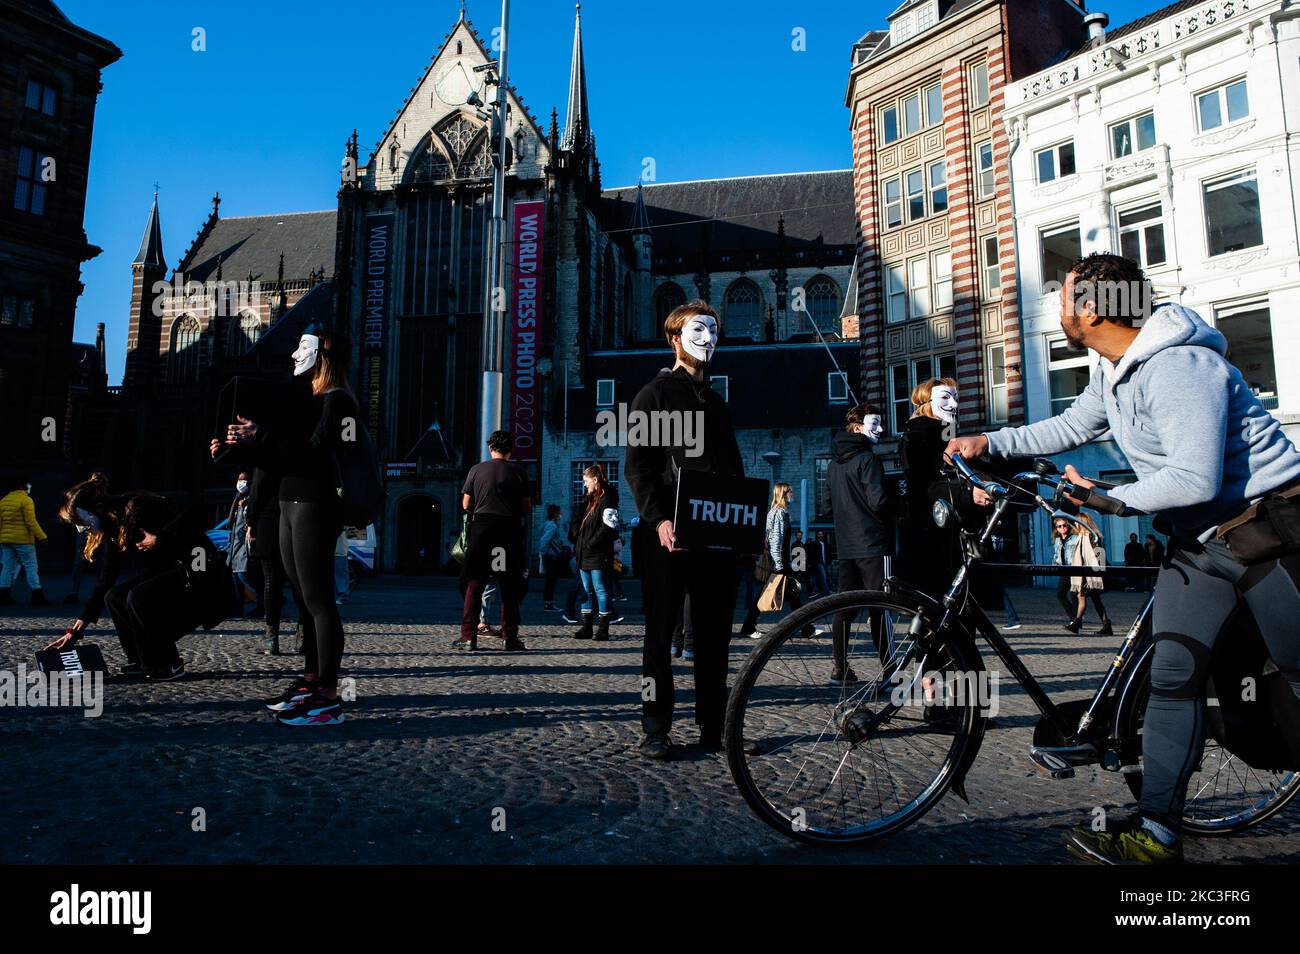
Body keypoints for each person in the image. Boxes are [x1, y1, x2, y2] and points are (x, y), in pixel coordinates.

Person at [947, 252, 1300, 864]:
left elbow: (1192, 478)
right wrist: (992, 441)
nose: (1058, 308)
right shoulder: (1114, 370)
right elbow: (1072, 426)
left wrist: (1108, 500)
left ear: (1091, 309)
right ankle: (1158, 834)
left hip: (1270, 534)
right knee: (1172, 679)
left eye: (1064, 297)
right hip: (1200, 545)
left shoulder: (1179, 367)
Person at [625, 299, 744, 759]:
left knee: (714, 637)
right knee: (659, 634)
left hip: (715, 532)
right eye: (699, 330)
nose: (709, 339)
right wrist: (658, 518)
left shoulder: (717, 404)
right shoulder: (652, 396)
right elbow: (639, 468)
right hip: (668, 533)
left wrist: (744, 533)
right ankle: (655, 727)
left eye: (714, 331)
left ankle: (714, 727)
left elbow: (733, 471)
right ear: (675, 338)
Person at [223, 328, 358, 725]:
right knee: (303, 600)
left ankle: (329, 697)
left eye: (305, 348)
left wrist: (261, 435)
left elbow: (316, 454)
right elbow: (283, 455)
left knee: (318, 601)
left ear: (324, 358)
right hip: (288, 501)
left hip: (314, 504)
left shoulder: (337, 402)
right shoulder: (307, 401)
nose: (296, 354)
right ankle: (311, 680)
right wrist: (244, 445)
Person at [47, 475, 233, 681]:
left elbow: (190, 516)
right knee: (114, 597)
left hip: (200, 569)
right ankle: (141, 660)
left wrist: (159, 538)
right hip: (173, 570)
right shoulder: (112, 528)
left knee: (138, 597)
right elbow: (105, 580)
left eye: (81, 521)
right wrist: (75, 631)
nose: (81, 529)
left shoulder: (138, 505)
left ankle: (169, 663)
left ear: (98, 508)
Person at [827, 403, 893, 685]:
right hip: (873, 544)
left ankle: (840, 668)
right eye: (874, 423)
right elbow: (879, 501)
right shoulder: (868, 459)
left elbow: (827, 506)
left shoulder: (833, 464)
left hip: (846, 545)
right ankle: (891, 671)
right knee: (881, 607)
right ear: (857, 428)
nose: (880, 429)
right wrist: (898, 507)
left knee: (845, 608)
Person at [454, 430, 530, 652]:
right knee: (509, 585)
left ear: (490, 448)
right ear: (510, 450)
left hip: (482, 530)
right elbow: (526, 507)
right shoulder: (519, 472)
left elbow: (466, 504)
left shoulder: (476, 470)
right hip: (508, 530)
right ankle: (510, 637)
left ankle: (469, 636)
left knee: (475, 583)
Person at [739, 483, 822, 640]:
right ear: (783, 493)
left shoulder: (779, 513)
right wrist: (779, 564)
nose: (793, 494)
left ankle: (806, 628)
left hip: (780, 562)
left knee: (792, 595)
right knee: (780, 594)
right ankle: (749, 626)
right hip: (779, 563)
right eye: (790, 491)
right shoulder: (779, 513)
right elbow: (775, 540)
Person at [571, 464, 621, 643]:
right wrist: (576, 535)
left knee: (601, 589)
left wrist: (591, 543)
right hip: (584, 552)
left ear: (595, 479)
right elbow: (578, 518)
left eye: (586, 481)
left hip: (598, 552)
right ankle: (586, 627)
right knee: (586, 590)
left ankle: (603, 629)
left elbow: (609, 526)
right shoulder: (589, 499)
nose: (584, 485)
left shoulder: (608, 496)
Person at [0, 476, 50, 606]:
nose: (29, 487)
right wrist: (42, 537)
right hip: (23, 541)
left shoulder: (4, 501)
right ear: (22, 486)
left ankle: (4, 595)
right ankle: (36, 595)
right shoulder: (26, 500)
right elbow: (30, 522)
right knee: (31, 566)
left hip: (6, 540)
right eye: (27, 485)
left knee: (7, 567)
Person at [1067, 512, 1113, 636]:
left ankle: (1076, 623)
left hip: (1091, 574)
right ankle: (1106, 625)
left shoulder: (1092, 537)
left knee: (1082, 597)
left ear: (1082, 523)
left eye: (1077, 521)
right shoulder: (1083, 537)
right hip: (1085, 573)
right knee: (1094, 600)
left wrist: (1096, 572)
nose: (1075, 524)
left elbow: (1098, 555)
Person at [227, 471, 261, 617]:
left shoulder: (250, 500)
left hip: (245, 544)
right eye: (239, 479)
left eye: (244, 480)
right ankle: (237, 610)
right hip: (234, 545)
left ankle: (266, 602)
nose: (241, 483)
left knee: (243, 575)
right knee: (235, 578)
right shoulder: (237, 499)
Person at [538, 504, 566, 611]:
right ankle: (548, 604)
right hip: (551, 557)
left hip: (550, 556)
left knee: (550, 581)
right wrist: (543, 554)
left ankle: (548, 603)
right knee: (551, 581)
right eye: (560, 513)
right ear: (555, 514)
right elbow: (544, 541)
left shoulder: (547, 524)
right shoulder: (552, 526)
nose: (561, 515)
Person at [334, 529, 351, 604]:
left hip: (339, 551)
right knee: (340, 574)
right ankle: (341, 596)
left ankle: (342, 596)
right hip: (339, 551)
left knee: (340, 574)